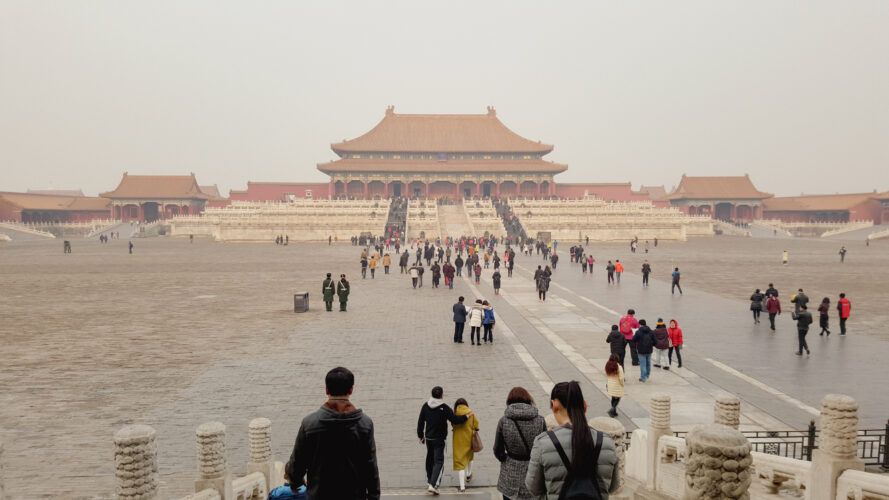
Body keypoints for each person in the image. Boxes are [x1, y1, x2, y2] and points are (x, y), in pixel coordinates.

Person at [284, 367, 380, 500]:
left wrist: (295, 482)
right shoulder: (365, 424)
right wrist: (374, 496)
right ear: (351, 390)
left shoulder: (310, 423)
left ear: (326, 390)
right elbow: (370, 467)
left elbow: (298, 461)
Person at [525, 381, 620, 498]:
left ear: (555, 405)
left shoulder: (543, 442)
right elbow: (613, 486)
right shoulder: (606, 442)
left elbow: (533, 487)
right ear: (584, 406)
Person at [493, 387, 547, 500]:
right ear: (528, 399)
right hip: (533, 474)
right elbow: (545, 448)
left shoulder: (504, 421)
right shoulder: (540, 421)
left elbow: (498, 449)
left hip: (510, 475)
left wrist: (505, 459)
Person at [418, 387, 471, 495]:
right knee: (439, 462)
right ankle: (434, 485)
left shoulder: (425, 406)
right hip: (440, 440)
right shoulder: (444, 408)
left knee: (430, 459)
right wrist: (466, 416)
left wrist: (420, 435)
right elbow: (455, 420)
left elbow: (420, 422)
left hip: (429, 439)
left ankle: (430, 481)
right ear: (442, 396)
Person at [451, 398, 480, 493]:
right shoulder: (471, 413)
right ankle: (469, 474)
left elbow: (453, 424)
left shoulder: (454, 415)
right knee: (470, 457)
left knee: (460, 464)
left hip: (458, 441)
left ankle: (462, 487)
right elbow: (477, 426)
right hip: (469, 440)